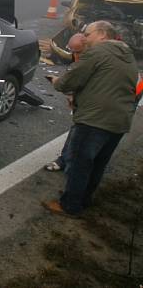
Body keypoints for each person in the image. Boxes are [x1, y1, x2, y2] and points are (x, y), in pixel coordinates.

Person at [43, 21, 138, 217]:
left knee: (80, 163)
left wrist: (56, 82)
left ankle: (69, 205)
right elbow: (104, 82)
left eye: (87, 34)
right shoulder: (126, 54)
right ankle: (83, 200)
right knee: (97, 164)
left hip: (96, 120)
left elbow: (70, 80)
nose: (85, 38)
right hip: (119, 121)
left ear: (102, 34)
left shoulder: (98, 52)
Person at [44, 33, 87, 172]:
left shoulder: (95, 60)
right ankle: (66, 160)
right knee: (77, 130)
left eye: (78, 51)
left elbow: (65, 83)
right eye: (73, 51)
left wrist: (58, 82)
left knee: (82, 134)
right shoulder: (81, 58)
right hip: (96, 105)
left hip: (107, 109)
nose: (75, 55)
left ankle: (73, 167)